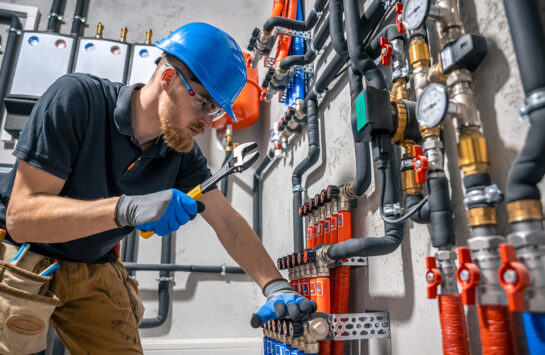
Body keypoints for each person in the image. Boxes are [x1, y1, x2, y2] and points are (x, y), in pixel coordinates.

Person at [0, 22, 313, 354]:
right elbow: (22, 217)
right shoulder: (78, 99)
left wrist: (276, 286)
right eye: (206, 104)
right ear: (168, 80)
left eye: (218, 110)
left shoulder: (180, 152)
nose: (210, 121)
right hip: (20, 253)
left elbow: (227, 221)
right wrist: (125, 209)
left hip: (91, 262)